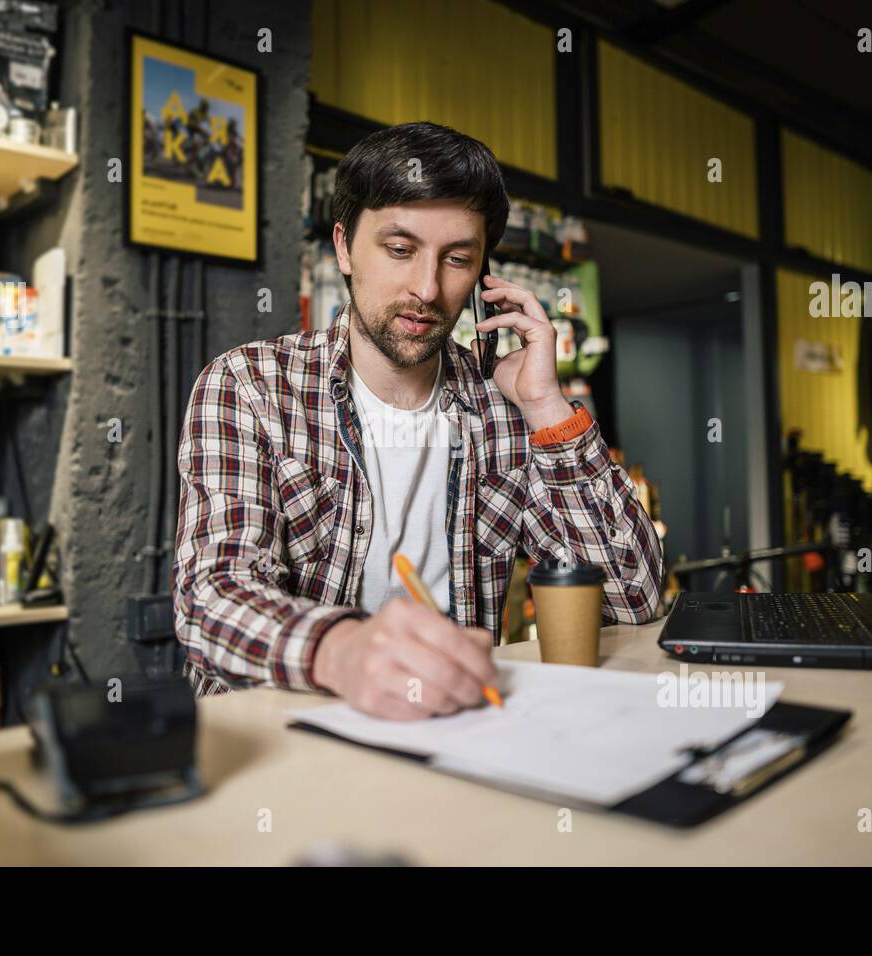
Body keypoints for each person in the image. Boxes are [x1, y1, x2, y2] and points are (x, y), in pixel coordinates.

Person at [172, 121, 664, 719]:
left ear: (484, 277)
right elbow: (210, 597)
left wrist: (545, 407)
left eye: (457, 259)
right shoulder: (249, 386)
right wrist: (344, 650)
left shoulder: (502, 409)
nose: (428, 289)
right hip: (285, 744)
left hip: (451, 731)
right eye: (400, 250)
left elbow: (632, 597)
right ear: (344, 247)